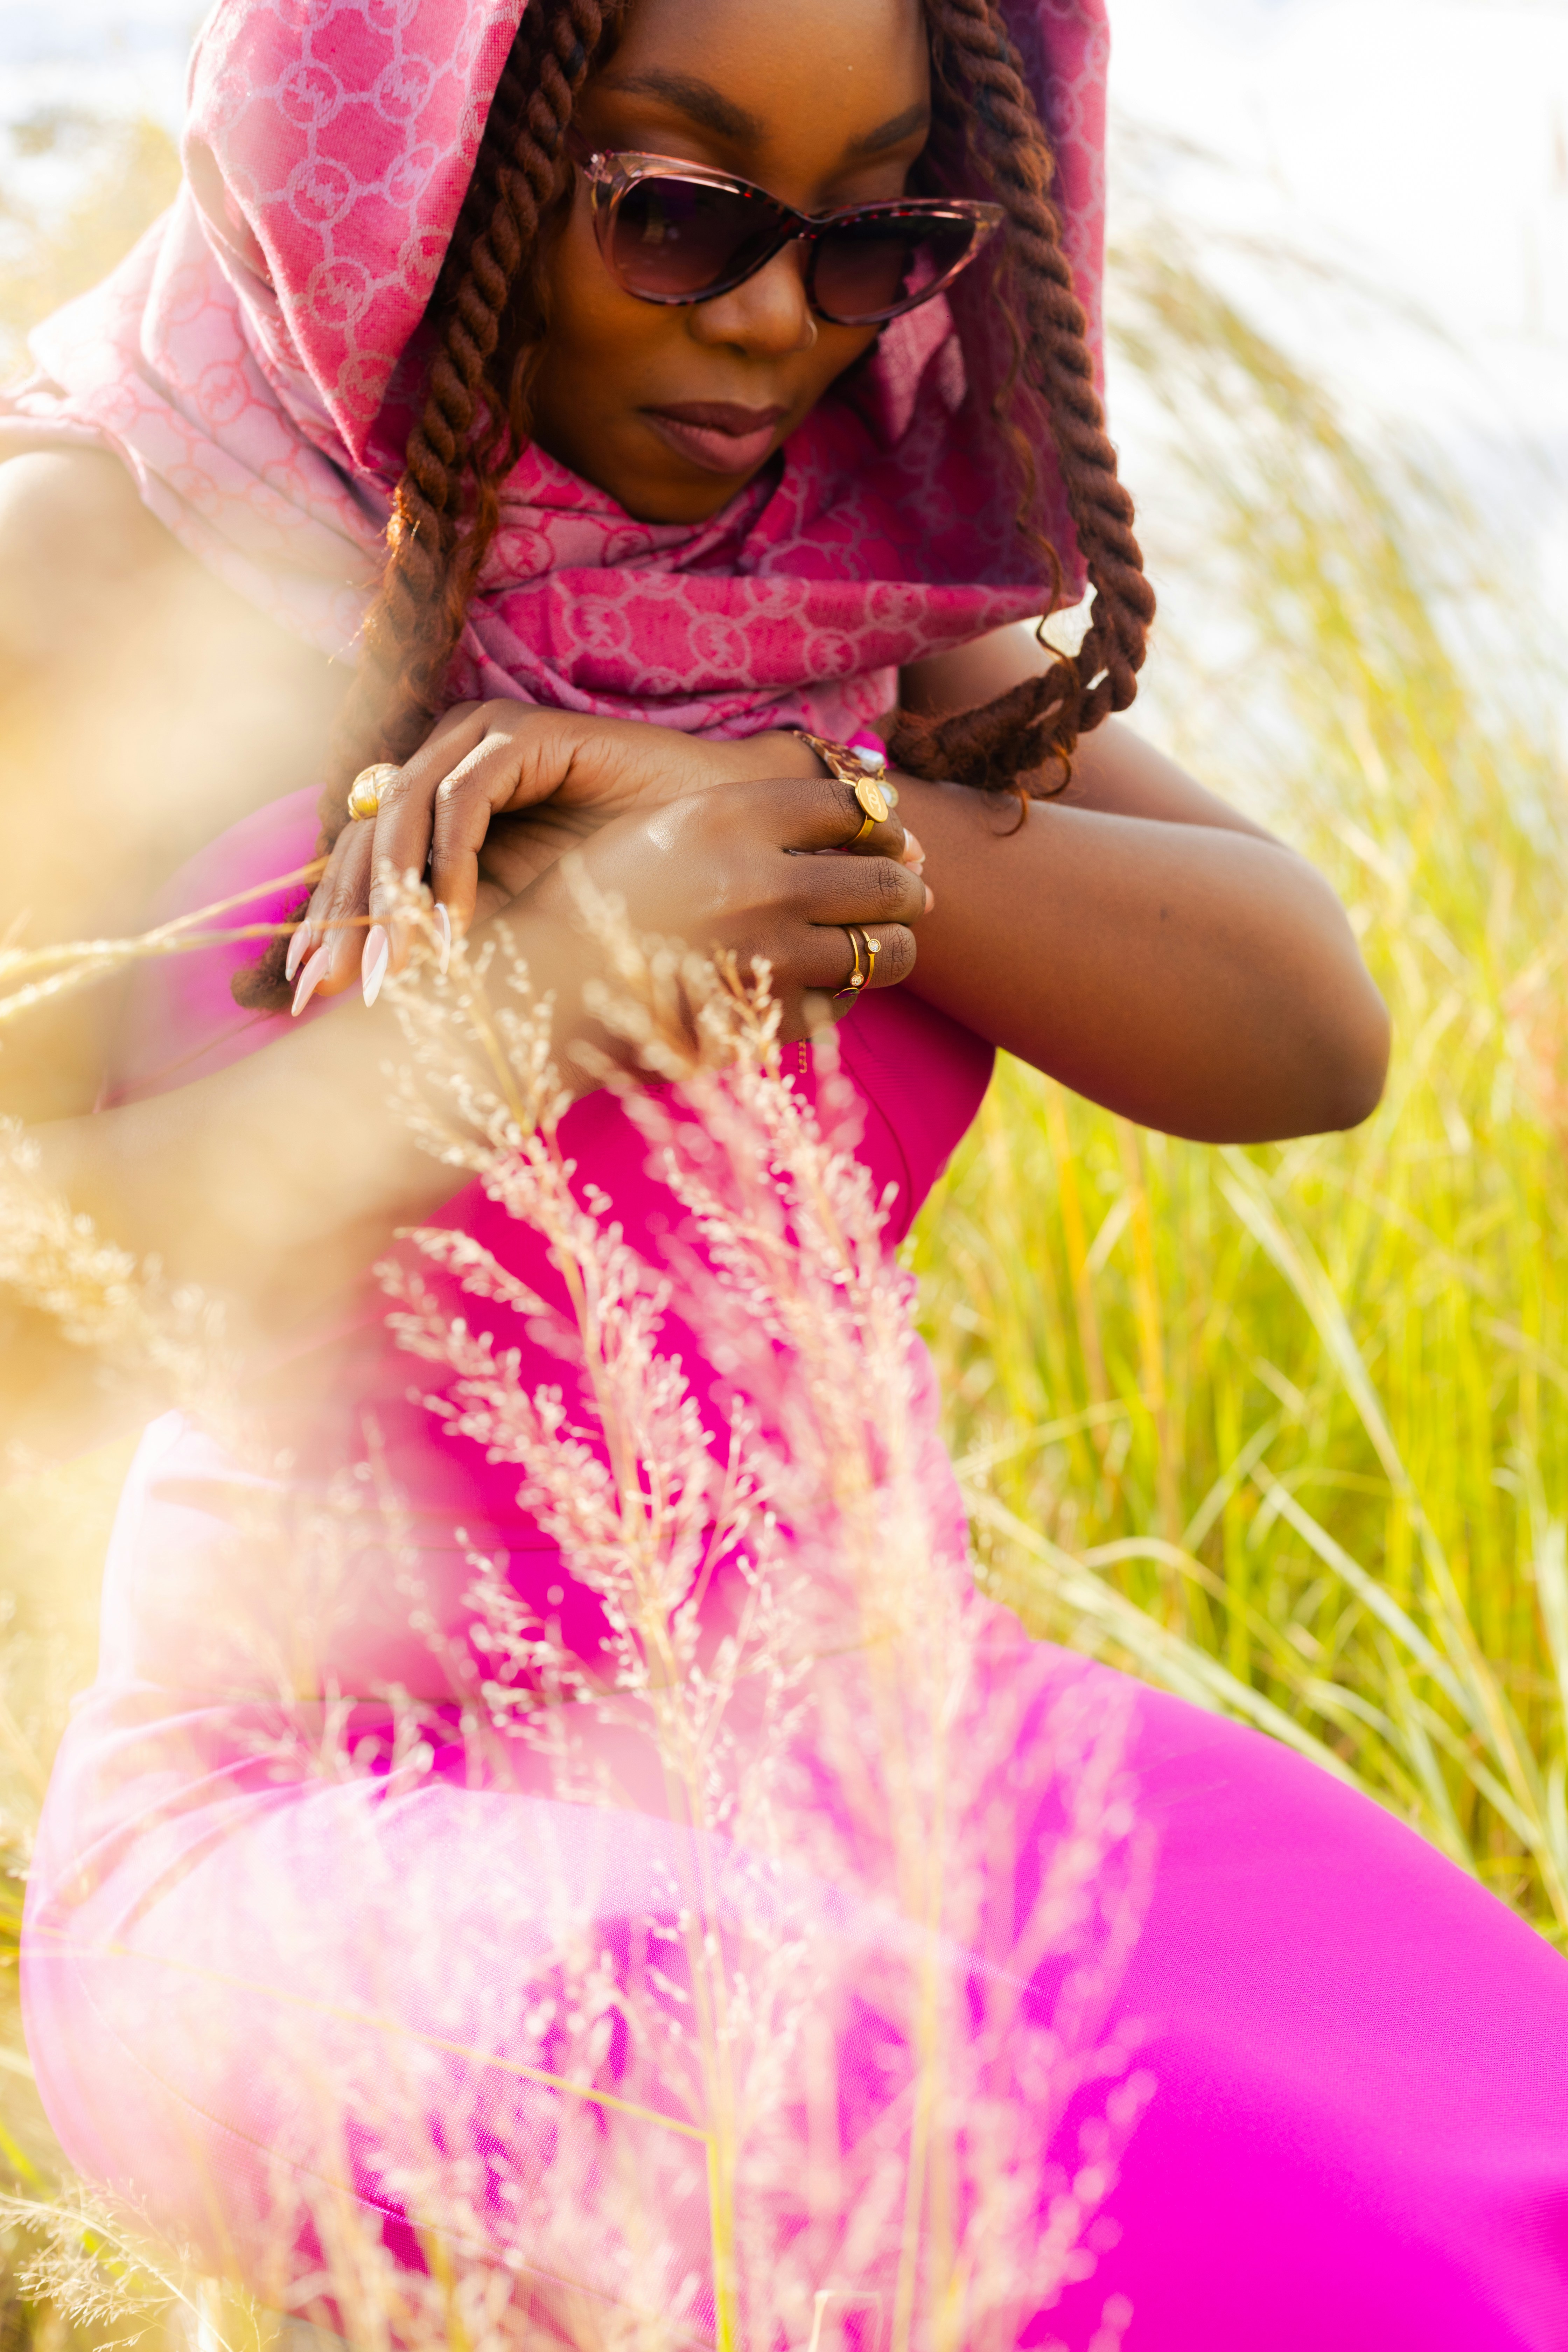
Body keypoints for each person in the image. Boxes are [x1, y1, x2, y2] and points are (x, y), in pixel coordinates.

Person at [1, 0, 1564, 2343]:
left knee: (1498, 2155)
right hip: (313, 1820)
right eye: (679, 210)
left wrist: (804, 814)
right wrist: (549, 992)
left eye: (873, 241)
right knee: (978, 2153)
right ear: (424, 145)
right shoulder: (109, 560)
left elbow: (1307, 1028)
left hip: (899, 1736)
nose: (771, 324)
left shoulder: (831, 600)